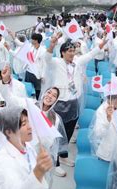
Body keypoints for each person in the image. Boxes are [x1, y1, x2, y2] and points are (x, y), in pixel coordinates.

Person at [44, 34, 105, 167]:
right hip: (60, 102)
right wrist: (52, 45)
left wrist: (101, 44)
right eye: (69, 51)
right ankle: (56, 162)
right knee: (58, 131)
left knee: (69, 130)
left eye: (73, 51)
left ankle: (63, 155)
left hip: (73, 101)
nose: (72, 53)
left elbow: (90, 55)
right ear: (63, 53)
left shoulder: (77, 62)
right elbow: (47, 58)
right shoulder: (56, 62)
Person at [0, 106, 53, 189]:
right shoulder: (2, 160)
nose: (30, 127)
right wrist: (38, 171)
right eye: (24, 124)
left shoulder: (28, 147)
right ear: (8, 132)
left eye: (28, 122)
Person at [89, 92, 117, 161]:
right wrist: (107, 121)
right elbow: (99, 133)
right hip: (107, 154)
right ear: (111, 100)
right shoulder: (102, 111)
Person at [36, 87, 68, 177]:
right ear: (44, 93)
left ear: (56, 101)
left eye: (54, 96)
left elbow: (51, 142)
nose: (50, 96)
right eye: (49, 92)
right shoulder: (31, 107)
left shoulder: (55, 118)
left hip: (41, 154)